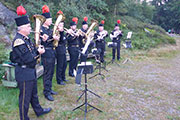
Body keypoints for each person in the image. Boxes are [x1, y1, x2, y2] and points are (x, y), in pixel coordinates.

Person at [10, 5, 51, 120]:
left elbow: (33, 50)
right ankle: (24, 117)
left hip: (30, 70)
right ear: (22, 28)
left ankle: (39, 111)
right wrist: (39, 52)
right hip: (24, 72)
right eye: (28, 26)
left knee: (34, 94)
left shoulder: (26, 39)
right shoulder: (19, 41)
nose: (30, 28)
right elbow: (28, 58)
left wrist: (41, 42)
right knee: (25, 98)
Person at [40, 5, 58, 101]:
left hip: (52, 52)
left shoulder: (50, 30)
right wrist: (52, 38)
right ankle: (46, 92)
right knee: (47, 72)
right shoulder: (41, 29)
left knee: (51, 72)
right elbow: (42, 42)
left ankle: (49, 89)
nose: (51, 21)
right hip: (46, 53)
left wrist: (56, 38)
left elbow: (52, 40)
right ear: (45, 20)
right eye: (50, 19)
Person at [56, 10, 68, 85]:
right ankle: (59, 79)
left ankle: (63, 77)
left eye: (63, 26)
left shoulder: (63, 32)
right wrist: (60, 31)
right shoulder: (57, 32)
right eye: (61, 26)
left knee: (64, 64)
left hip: (63, 49)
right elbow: (60, 40)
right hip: (59, 49)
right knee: (60, 65)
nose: (62, 27)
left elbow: (64, 40)